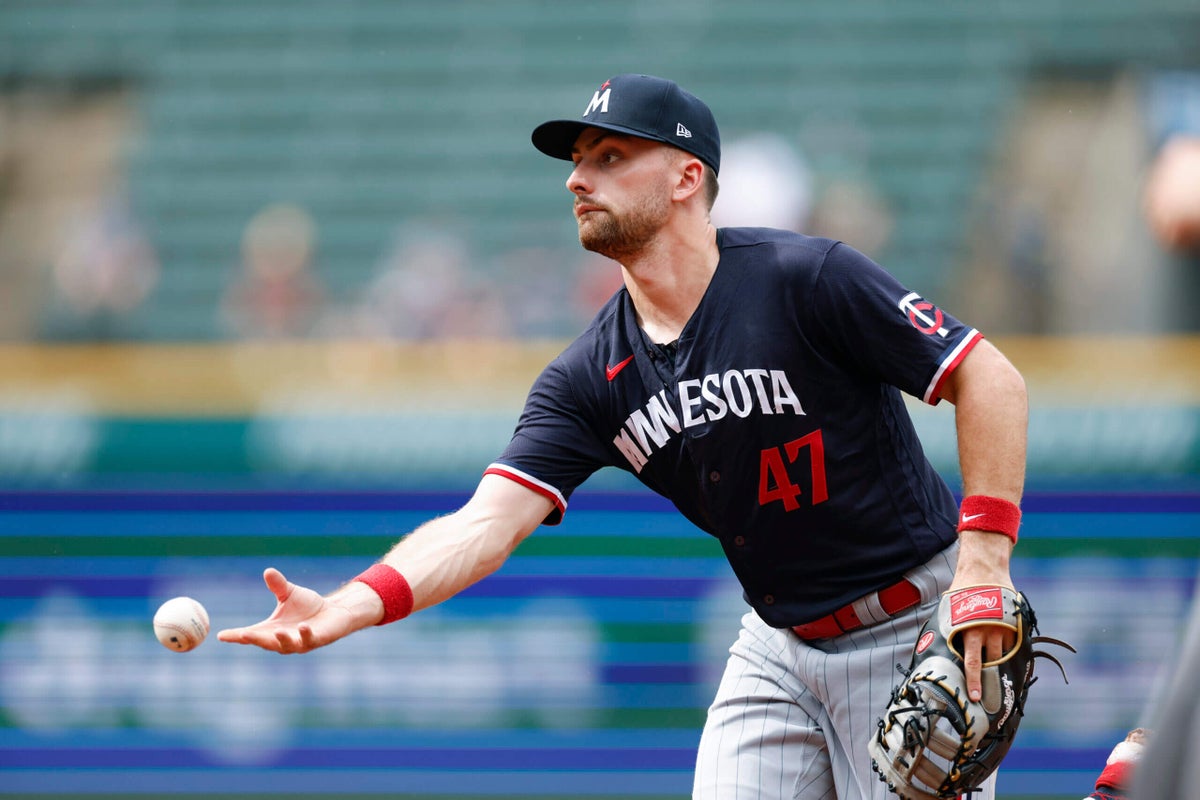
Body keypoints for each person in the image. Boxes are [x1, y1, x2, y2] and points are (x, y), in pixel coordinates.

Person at [219, 74, 1028, 800]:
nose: (577, 178)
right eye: (577, 161)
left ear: (687, 176)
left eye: (609, 156)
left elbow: (987, 377)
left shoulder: (805, 279)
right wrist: (352, 606)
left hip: (910, 625)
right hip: (778, 649)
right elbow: (484, 524)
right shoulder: (587, 376)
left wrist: (984, 563)